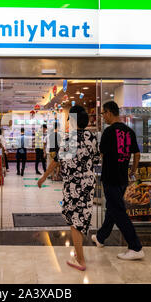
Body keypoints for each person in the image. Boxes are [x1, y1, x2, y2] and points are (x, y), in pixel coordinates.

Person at [38, 106, 99, 271]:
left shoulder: (68, 139)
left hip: (73, 184)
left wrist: (44, 177)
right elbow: (96, 159)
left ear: (72, 120)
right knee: (82, 217)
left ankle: (81, 260)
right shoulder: (92, 137)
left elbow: (56, 161)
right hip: (88, 183)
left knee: (74, 220)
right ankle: (78, 250)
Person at [91, 101, 144, 260]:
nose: (103, 117)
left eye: (103, 114)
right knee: (113, 208)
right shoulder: (129, 131)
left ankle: (135, 247)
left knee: (118, 211)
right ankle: (100, 238)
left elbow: (101, 154)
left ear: (108, 112)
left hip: (110, 177)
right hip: (122, 178)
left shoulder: (108, 132)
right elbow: (137, 154)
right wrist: (132, 171)